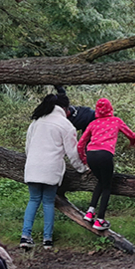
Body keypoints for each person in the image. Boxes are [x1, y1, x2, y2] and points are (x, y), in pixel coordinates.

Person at [21, 94, 89, 250]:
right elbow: (73, 153)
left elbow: (28, 147)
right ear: (64, 109)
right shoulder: (66, 125)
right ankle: (47, 240)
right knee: (48, 203)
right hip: (51, 169)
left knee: (33, 200)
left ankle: (25, 237)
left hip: (32, 167)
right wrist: (82, 168)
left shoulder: (36, 122)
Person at [76, 98, 135, 231]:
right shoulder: (116, 121)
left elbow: (80, 144)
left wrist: (85, 160)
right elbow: (131, 135)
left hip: (91, 154)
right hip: (105, 155)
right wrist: (132, 143)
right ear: (110, 109)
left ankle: (90, 212)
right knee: (108, 186)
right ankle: (100, 220)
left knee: (101, 182)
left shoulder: (93, 123)